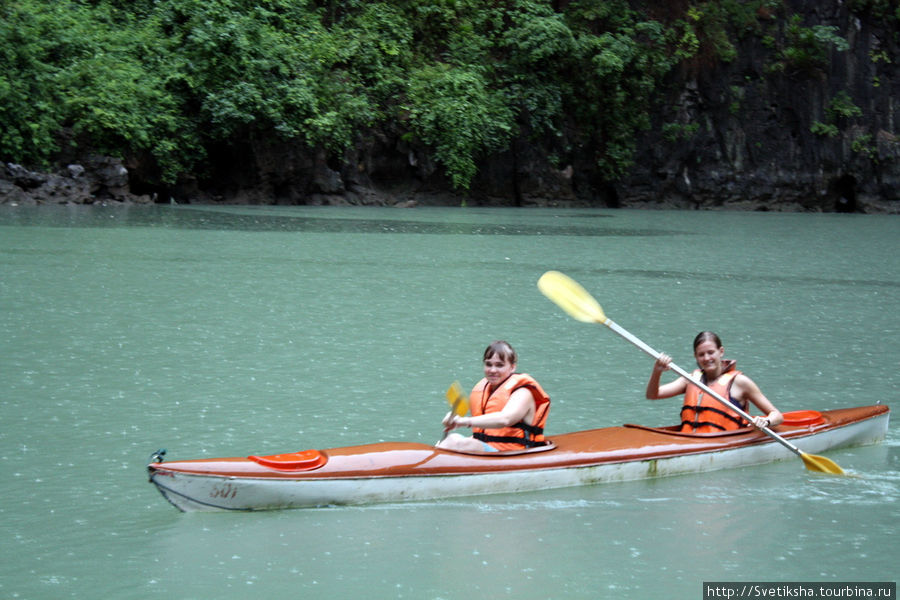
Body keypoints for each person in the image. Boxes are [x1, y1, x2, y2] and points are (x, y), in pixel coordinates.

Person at [645, 331, 783, 433]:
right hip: (687, 439)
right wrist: (657, 371)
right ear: (696, 356)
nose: (707, 358)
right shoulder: (690, 379)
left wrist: (766, 421)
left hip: (722, 442)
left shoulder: (740, 382)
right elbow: (652, 394)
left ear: (720, 351)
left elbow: (777, 415)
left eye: (711, 352)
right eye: (701, 354)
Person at [438, 340, 550, 452]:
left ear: (512, 367)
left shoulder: (523, 392)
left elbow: (505, 419)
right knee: (451, 438)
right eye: (488, 364)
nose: (492, 370)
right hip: (489, 448)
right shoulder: (483, 390)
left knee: (461, 443)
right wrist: (455, 420)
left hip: (512, 453)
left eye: (499, 365)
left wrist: (464, 421)